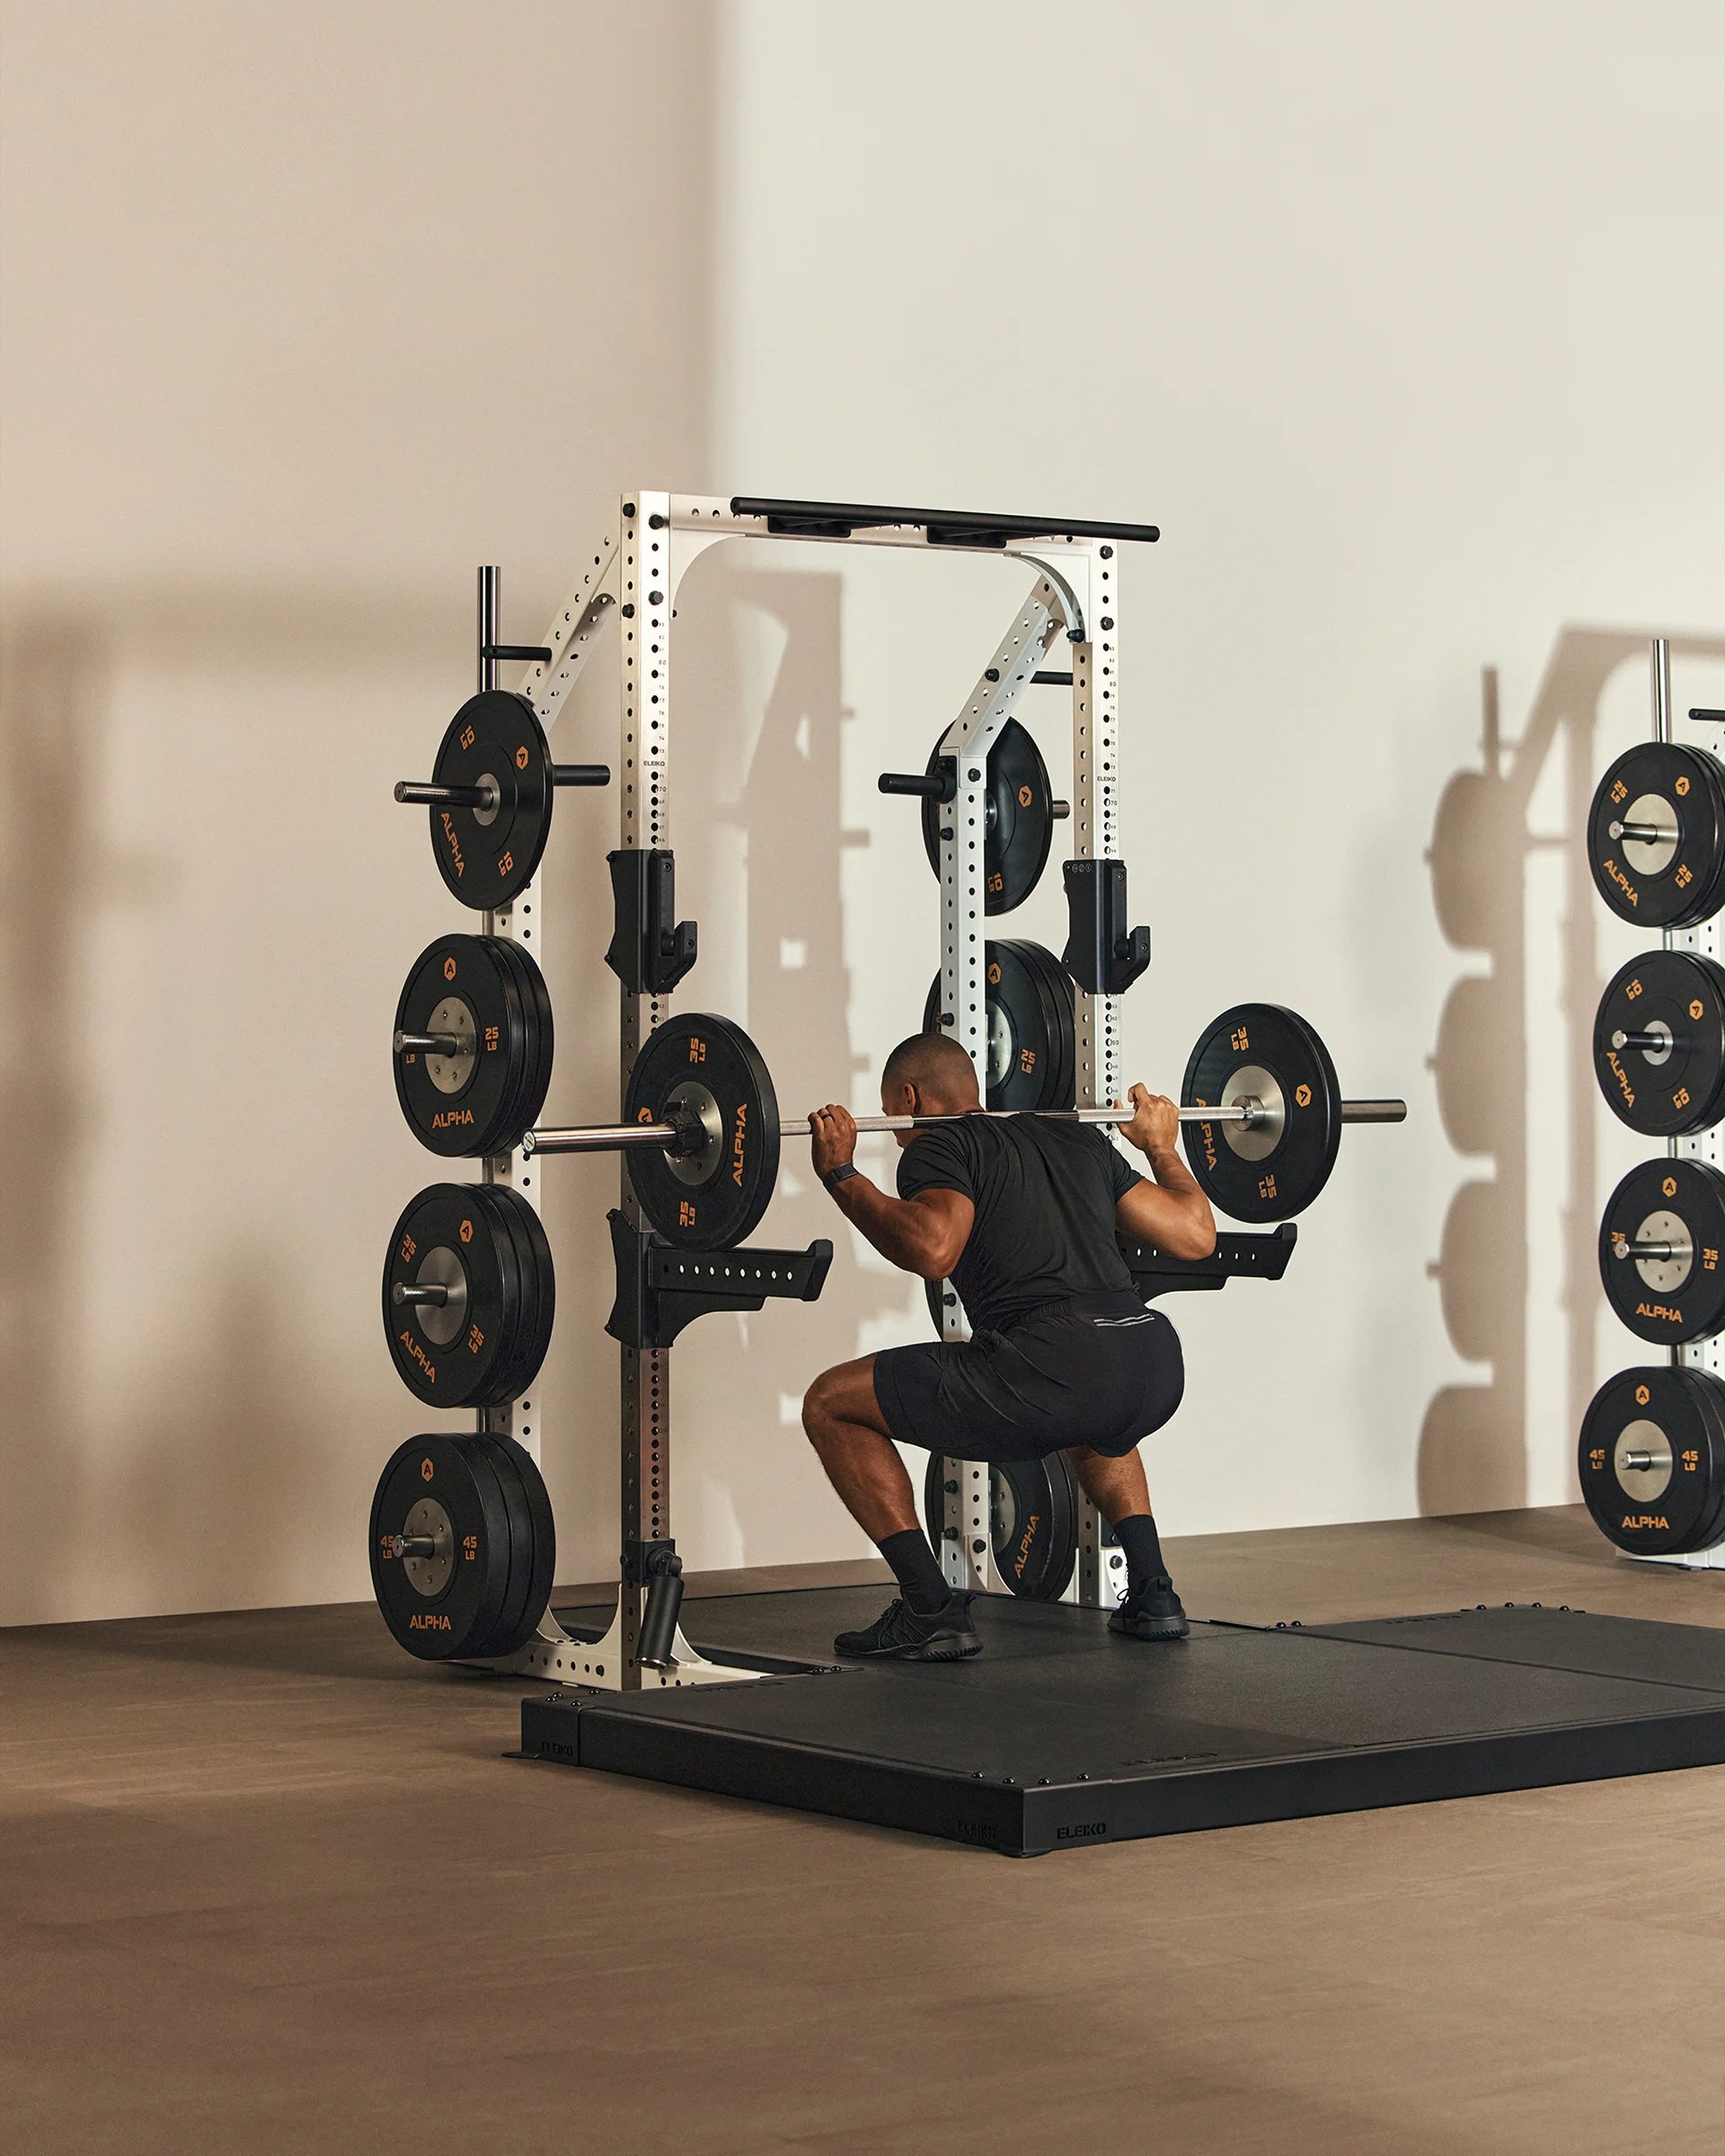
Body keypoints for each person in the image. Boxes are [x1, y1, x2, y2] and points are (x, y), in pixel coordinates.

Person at [801, 1029, 1216, 1662]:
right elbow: (1194, 1234)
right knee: (1095, 1406)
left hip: (1058, 1365)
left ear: (909, 1098)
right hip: (1151, 1361)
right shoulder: (1078, 1139)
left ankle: (928, 1607)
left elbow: (933, 1248)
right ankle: (1155, 1592)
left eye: (894, 1113)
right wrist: (1163, 1148)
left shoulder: (939, 1145)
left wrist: (841, 1174)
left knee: (830, 1402)